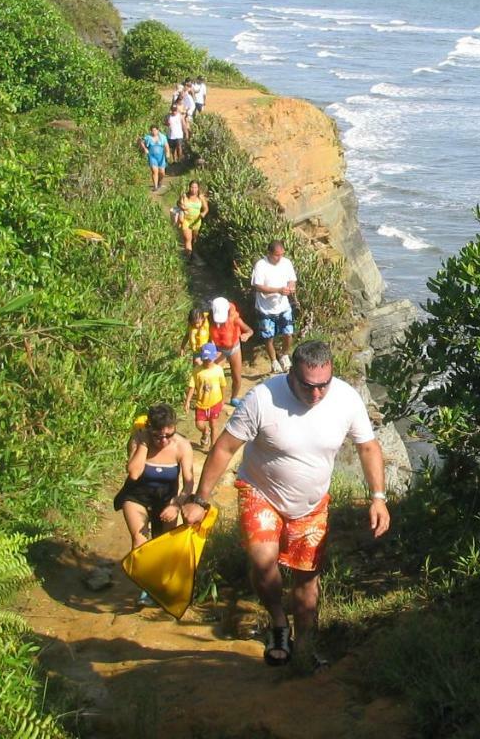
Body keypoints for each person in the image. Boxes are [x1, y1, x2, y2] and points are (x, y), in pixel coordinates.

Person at [182, 340, 390, 670]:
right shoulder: (263, 398)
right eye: (309, 386)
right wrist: (200, 500)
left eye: (324, 385)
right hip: (260, 492)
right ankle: (279, 624)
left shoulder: (346, 398)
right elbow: (224, 447)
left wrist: (378, 498)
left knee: (307, 583)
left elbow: (368, 447)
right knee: (264, 563)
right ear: (292, 373)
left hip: (311, 504)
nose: (318, 394)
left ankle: (305, 650)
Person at [115, 404, 195, 602]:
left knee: (163, 543)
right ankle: (146, 585)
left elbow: (189, 483)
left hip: (167, 499)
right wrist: (143, 444)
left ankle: (160, 583)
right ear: (150, 429)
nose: (164, 440)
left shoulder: (182, 446)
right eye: (158, 436)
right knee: (140, 539)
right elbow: (133, 473)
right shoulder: (138, 440)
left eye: (169, 434)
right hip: (136, 496)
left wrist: (176, 504)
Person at [251, 240, 297, 373]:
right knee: (268, 336)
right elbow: (258, 286)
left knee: (288, 333)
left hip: (283, 306)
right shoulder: (261, 265)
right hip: (265, 308)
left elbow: (292, 279)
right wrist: (278, 290)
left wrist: (291, 287)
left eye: (282, 254)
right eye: (277, 255)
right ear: (269, 253)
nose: (280, 257)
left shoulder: (286, 263)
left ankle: (284, 355)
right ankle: (273, 360)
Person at [209, 296, 253, 406]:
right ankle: (217, 399)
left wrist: (246, 335)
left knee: (237, 377)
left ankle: (234, 397)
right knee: (214, 376)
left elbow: (249, 330)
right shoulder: (209, 319)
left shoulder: (235, 319)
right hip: (219, 349)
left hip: (234, 348)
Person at [184, 342, 229, 450]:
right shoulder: (197, 371)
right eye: (205, 359)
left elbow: (223, 385)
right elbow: (192, 386)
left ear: (214, 357)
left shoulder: (218, 370)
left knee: (214, 425)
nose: (207, 361)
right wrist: (187, 401)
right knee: (199, 424)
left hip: (215, 402)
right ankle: (205, 432)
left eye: (209, 359)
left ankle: (212, 447)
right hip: (201, 403)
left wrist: (222, 400)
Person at [173, 180, 209, 258]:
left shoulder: (201, 197)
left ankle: (193, 253)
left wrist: (203, 213)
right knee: (187, 239)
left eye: (195, 187)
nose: (193, 189)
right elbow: (178, 202)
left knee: (194, 240)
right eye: (192, 187)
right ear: (189, 188)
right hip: (186, 220)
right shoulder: (184, 196)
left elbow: (206, 208)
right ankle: (188, 258)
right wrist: (181, 206)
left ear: (198, 188)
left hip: (197, 221)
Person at [138, 125, 168, 191]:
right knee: (155, 171)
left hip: (161, 156)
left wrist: (167, 153)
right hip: (152, 156)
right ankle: (155, 186)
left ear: (158, 130)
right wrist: (145, 148)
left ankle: (159, 182)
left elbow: (166, 145)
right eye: (152, 130)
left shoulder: (162, 137)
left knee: (162, 172)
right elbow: (141, 141)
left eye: (155, 130)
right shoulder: (148, 137)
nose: (153, 132)